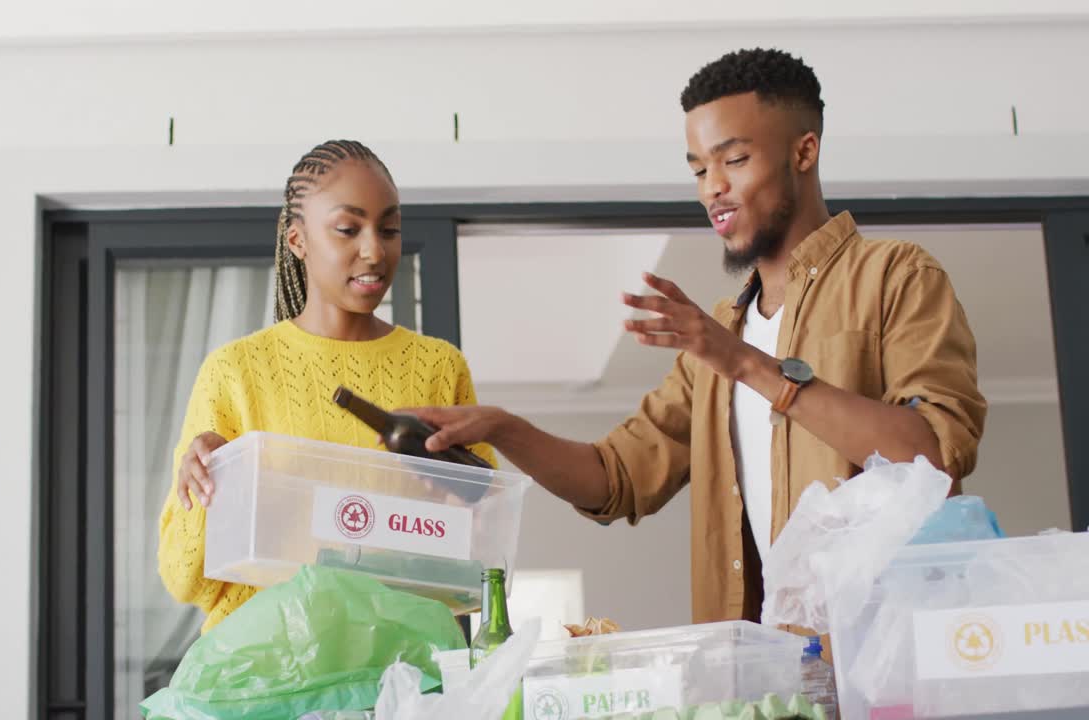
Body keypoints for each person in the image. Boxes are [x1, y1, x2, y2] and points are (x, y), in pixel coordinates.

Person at [403, 48, 987, 627]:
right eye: (699, 169)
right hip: (763, 684)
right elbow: (615, 479)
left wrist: (744, 363)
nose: (712, 188)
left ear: (804, 151)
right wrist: (504, 428)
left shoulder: (897, 277)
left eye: (733, 160)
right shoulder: (717, 339)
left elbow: (931, 460)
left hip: (880, 673)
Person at [158, 139, 496, 633]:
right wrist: (208, 490)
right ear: (297, 240)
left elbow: (481, 560)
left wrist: (461, 496)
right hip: (269, 679)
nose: (374, 250)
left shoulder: (439, 368)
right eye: (347, 229)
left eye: (390, 229)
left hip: (399, 677)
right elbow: (185, 581)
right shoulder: (236, 372)